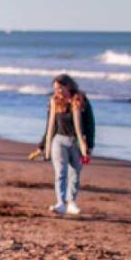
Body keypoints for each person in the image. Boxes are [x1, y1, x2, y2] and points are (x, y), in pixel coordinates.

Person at [39, 74, 94, 215]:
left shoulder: (81, 100)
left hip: (77, 142)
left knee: (75, 173)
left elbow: (90, 123)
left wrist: (90, 144)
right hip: (59, 141)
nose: (57, 91)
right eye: (55, 88)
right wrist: (43, 143)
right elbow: (50, 124)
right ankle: (60, 203)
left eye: (60, 87)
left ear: (68, 86)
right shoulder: (54, 101)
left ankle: (72, 203)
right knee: (60, 173)